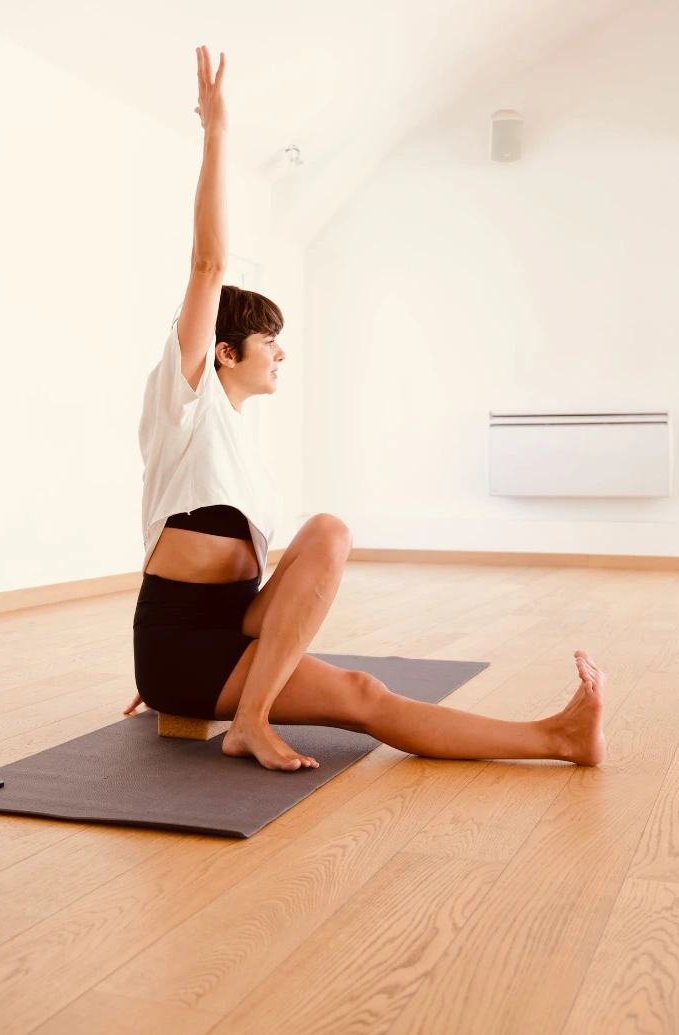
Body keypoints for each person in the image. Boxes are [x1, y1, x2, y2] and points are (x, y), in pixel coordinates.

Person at [124, 45, 607, 772]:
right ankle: (252, 719)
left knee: (329, 531)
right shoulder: (183, 396)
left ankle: (560, 737)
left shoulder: (240, 444)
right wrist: (217, 133)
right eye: (267, 341)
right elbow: (208, 264)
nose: (280, 354)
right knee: (361, 692)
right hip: (181, 645)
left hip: (233, 622)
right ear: (223, 351)